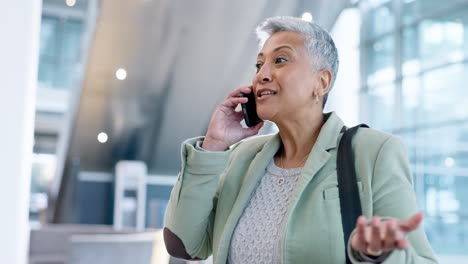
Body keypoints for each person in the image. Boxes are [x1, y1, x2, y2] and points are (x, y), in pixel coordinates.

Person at [163, 16, 438, 264]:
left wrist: (379, 254)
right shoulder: (241, 157)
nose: (262, 75)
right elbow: (184, 245)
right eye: (259, 64)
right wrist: (213, 145)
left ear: (321, 82)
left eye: (280, 60)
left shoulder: (374, 152)